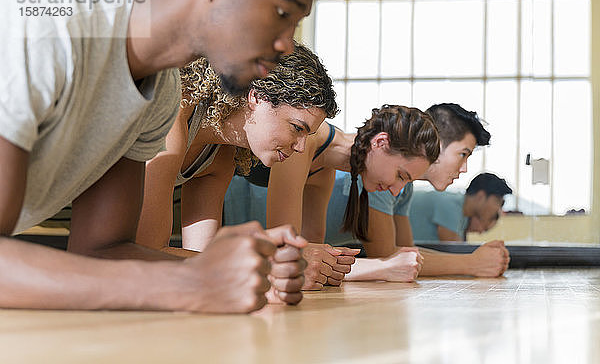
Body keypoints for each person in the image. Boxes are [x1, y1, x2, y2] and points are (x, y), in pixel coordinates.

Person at [0, 0, 320, 313]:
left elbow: (103, 252)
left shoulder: (161, 90)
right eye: (282, 12)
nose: (286, 44)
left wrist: (239, 270)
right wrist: (189, 283)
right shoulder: (42, 19)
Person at [135, 43, 358, 293]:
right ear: (256, 97)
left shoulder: (220, 156)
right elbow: (146, 255)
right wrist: (267, 265)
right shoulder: (173, 113)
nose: (300, 147)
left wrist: (276, 266)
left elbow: (200, 258)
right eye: (297, 128)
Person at [225, 105, 441, 283]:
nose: (396, 190)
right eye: (401, 176)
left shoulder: (325, 165)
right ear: (380, 142)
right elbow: (285, 254)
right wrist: (382, 268)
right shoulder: (306, 140)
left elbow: (310, 255)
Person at [324, 103, 511, 278]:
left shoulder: (402, 187)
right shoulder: (381, 175)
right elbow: (387, 256)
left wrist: (473, 260)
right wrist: (471, 263)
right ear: (436, 145)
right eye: (462, 154)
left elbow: (406, 251)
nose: (464, 169)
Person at [409, 172, 513, 243]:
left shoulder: (463, 216)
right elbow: (456, 254)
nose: (497, 209)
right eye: (497, 201)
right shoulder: (450, 206)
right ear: (481, 196)